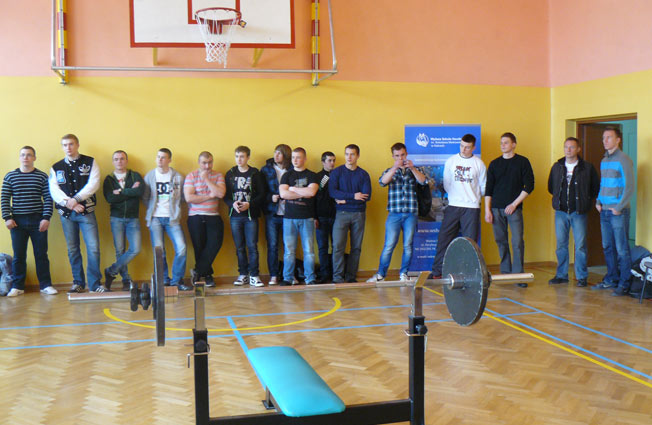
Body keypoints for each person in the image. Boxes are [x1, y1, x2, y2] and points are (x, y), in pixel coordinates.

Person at [49, 134, 104, 293]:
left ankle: (94, 285)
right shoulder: (56, 167)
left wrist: (77, 199)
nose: (68, 147)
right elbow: (54, 190)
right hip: (67, 214)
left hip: (86, 212)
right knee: (73, 249)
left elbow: (93, 184)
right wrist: (70, 203)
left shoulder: (90, 162)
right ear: (62, 147)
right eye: (65, 145)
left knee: (93, 248)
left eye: (71, 144)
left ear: (77, 145)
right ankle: (78, 283)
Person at [367, 142, 427, 282]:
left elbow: (423, 181)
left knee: (408, 245)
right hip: (394, 213)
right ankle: (381, 275)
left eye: (403, 155)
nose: (401, 158)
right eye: (397, 156)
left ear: (407, 154)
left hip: (411, 213)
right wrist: (395, 168)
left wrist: (412, 168)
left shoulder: (416, 169)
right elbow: (382, 182)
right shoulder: (390, 170)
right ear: (393, 157)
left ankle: (403, 274)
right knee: (389, 245)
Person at [2, 146, 56, 296]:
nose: (25, 157)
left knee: (41, 255)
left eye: (29, 155)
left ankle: (45, 285)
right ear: (19, 157)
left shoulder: (42, 176)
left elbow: (48, 198)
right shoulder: (10, 176)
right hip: (17, 222)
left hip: (38, 220)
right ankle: (17, 287)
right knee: (19, 256)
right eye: (23, 155)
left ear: (34, 158)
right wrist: (7, 217)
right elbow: (4, 198)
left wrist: (46, 218)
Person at [430, 134, 486, 279]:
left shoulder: (479, 164)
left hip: (472, 208)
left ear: (473, 148)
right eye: (461, 146)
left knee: (470, 243)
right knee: (444, 239)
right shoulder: (451, 161)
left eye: (467, 147)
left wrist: (471, 198)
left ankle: (468, 275)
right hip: (453, 206)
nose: (463, 149)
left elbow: (483, 187)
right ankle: (437, 272)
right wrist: (456, 197)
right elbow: (447, 184)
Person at [547, 137, 599, 287]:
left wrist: (585, 202)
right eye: (566, 147)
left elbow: (595, 188)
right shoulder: (557, 166)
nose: (568, 150)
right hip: (561, 212)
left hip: (579, 212)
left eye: (572, 147)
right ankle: (561, 275)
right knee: (561, 245)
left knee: (580, 246)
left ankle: (581, 277)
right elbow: (551, 187)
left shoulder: (587, 168)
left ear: (578, 149)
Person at [484, 132, 534, 288]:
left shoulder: (523, 162)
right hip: (496, 209)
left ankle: (518, 275)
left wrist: (514, 204)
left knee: (517, 241)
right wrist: (487, 210)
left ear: (514, 144)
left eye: (506, 142)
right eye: (501, 143)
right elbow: (488, 189)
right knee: (501, 241)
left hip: (514, 209)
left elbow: (529, 186)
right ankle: (506, 272)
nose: (503, 145)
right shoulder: (494, 164)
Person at [592, 127, 635, 296]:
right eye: (603, 138)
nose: (605, 140)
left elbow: (629, 187)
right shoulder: (604, 160)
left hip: (618, 212)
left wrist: (618, 207)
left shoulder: (624, 159)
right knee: (607, 247)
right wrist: (598, 201)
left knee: (621, 249)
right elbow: (603, 184)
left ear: (618, 140)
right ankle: (612, 279)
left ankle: (624, 283)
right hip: (604, 210)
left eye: (609, 137)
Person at [143, 148, 190, 291]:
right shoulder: (150, 176)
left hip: (172, 219)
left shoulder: (178, 177)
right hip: (155, 218)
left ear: (169, 160)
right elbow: (145, 197)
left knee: (181, 248)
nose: (160, 160)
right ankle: (163, 279)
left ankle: (177, 280)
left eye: (163, 157)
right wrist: (152, 210)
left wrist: (175, 209)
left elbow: (183, 197)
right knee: (159, 251)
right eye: (158, 157)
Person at [225, 146, 266, 287]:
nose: (239, 159)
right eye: (237, 156)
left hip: (250, 216)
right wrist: (232, 204)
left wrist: (250, 204)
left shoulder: (255, 173)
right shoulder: (230, 173)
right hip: (235, 216)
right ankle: (243, 274)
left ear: (248, 157)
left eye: (242, 156)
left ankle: (254, 275)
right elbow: (225, 196)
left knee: (252, 246)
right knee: (239, 247)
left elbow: (262, 194)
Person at [103, 150, 144, 291]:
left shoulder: (135, 176)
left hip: (133, 218)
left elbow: (139, 192)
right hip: (117, 218)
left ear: (126, 161)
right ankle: (126, 280)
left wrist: (121, 192)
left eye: (122, 158)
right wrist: (130, 192)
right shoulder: (109, 179)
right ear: (113, 162)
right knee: (119, 250)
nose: (119, 161)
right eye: (116, 159)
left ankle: (111, 271)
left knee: (135, 248)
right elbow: (110, 198)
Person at [329, 144, 372, 283]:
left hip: (359, 214)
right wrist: (353, 196)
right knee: (338, 247)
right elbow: (333, 192)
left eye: (352, 154)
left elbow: (366, 196)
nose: (349, 157)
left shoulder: (363, 174)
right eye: (347, 154)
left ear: (357, 156)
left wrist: (345, 199)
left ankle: (351, 277)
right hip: (341, 213)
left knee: (356, 247)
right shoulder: (337, 172)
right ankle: (337, 277)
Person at [183, 151, 226, 288]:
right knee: (199, 247)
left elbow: (220, 193)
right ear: (199, 162)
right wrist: (209, 196)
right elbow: (189, 198)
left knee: (215, 244)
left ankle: (197, 271)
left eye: (210, 162)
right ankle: (207, 275)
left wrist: (207, 179)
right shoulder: (191, 176)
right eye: (204, 163)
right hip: (195, 216)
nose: (207, 166)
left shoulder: (218, 175)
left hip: (213, 215)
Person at [279, 147, 319, 285]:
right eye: (293, 157)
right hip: (289, 218)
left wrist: (293, 189)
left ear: (305, 159)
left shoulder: (312, 175)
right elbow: (283, 194)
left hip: (307, 217)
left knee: (309, 251)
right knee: (289, 251)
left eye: (298, 157)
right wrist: (303, 192)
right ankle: (288, 278)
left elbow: (311, 193)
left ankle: (310, 278)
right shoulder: (286, 175)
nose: (295, 160)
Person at [260, 144, 292, 285]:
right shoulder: (266, 170)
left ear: (286, 155)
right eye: (275, 153)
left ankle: (288, 275)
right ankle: (273, 275)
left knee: (289, 246)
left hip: (289, 213)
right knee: (272, 246)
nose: (276, 155)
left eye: (279, 153)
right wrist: (270, 197)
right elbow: (260, 191)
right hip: (272, 213)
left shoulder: (292, 169)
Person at [314, 151, 336, 282]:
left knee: (336, 247)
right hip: (321, 217)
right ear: (323, 162)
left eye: (333, 160)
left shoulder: (338, 175)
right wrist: (314, 217)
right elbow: (314, 198)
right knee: (322, 247)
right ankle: (324, 274)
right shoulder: (318, 177)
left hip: (336, 217)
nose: (332, 163)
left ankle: (336, 274)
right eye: (329, 160)